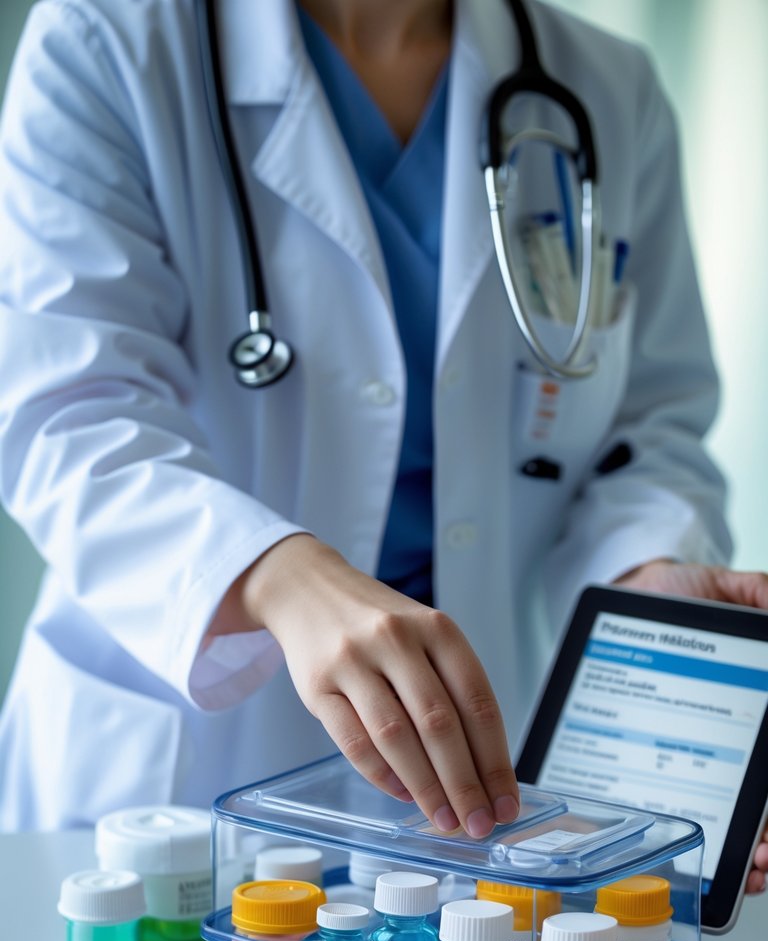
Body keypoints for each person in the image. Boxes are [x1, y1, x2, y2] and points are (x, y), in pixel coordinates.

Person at [0, 0, 766, 892]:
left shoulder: (605, 87)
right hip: (178, 771)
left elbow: (648, 430)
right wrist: (278, 573)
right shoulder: (111, 39)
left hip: (466, 757)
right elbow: (68, 413)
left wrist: (641, 581)